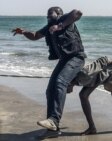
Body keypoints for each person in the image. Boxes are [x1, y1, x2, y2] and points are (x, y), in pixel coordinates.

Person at [12, 7, 87, 138]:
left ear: (58, 14)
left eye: (50, 14)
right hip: (64, 60)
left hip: (76, 57)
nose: (47, 16)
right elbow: (35, 36)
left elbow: (77, 13)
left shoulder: (65, 20)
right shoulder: (49, 27)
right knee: (50, 90)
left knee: (60, 82)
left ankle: (54, 120)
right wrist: (23, 32)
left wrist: (60, 25)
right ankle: (53, 129)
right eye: (46, 15)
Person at [67, 56, 112, 135]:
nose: (66, 92)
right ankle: (92, 128)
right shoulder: (75, 81)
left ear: (69, 84)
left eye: (65, 89)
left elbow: (103, 60)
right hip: (97, 79)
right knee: (83, 95)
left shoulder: (84, 73)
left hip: (110, 74)